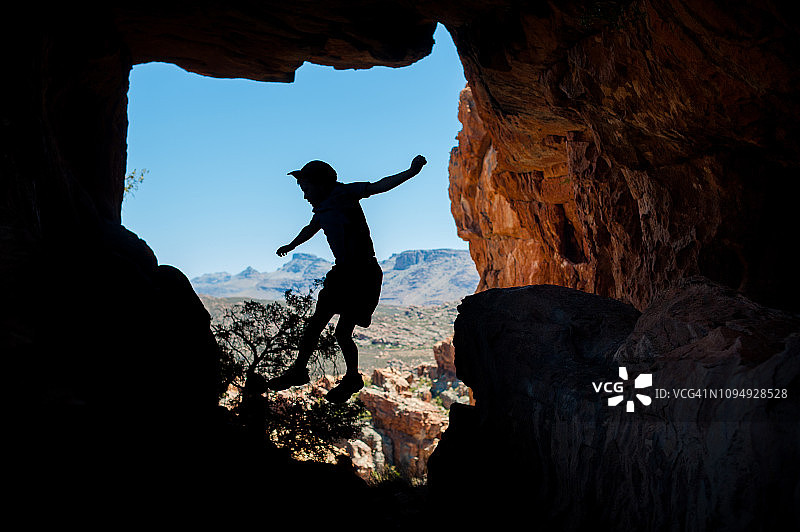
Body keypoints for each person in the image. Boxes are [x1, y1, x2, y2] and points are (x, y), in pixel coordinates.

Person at [267, 155, 427, 403]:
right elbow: (310, 229)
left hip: (361, 274)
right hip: (343, 273)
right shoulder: (322, 208)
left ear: (321, 183)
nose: (305, 195)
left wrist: (410, 172)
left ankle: (349, 376)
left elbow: (379, 186)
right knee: (317, 326)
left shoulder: (344, 194)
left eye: (306, 188)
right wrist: (291, 245)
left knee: (341, 331)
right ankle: (301, 371)